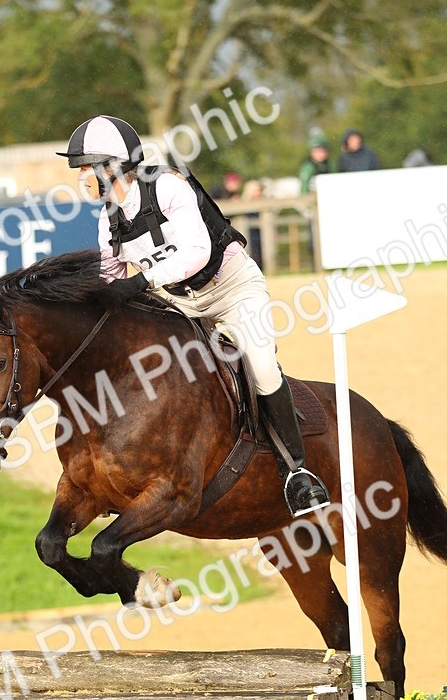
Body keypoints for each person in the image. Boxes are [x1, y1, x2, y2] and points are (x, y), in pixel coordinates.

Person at [57, 114, 330, 517]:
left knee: (262, 366)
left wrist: (140, 282)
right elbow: (110, 277)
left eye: (85, 168)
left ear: (112, 165)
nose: (81, 178)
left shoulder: (167, 186)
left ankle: (297, 473)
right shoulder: (108, 218)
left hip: (232, 288)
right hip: (179, 301)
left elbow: (196, 251)